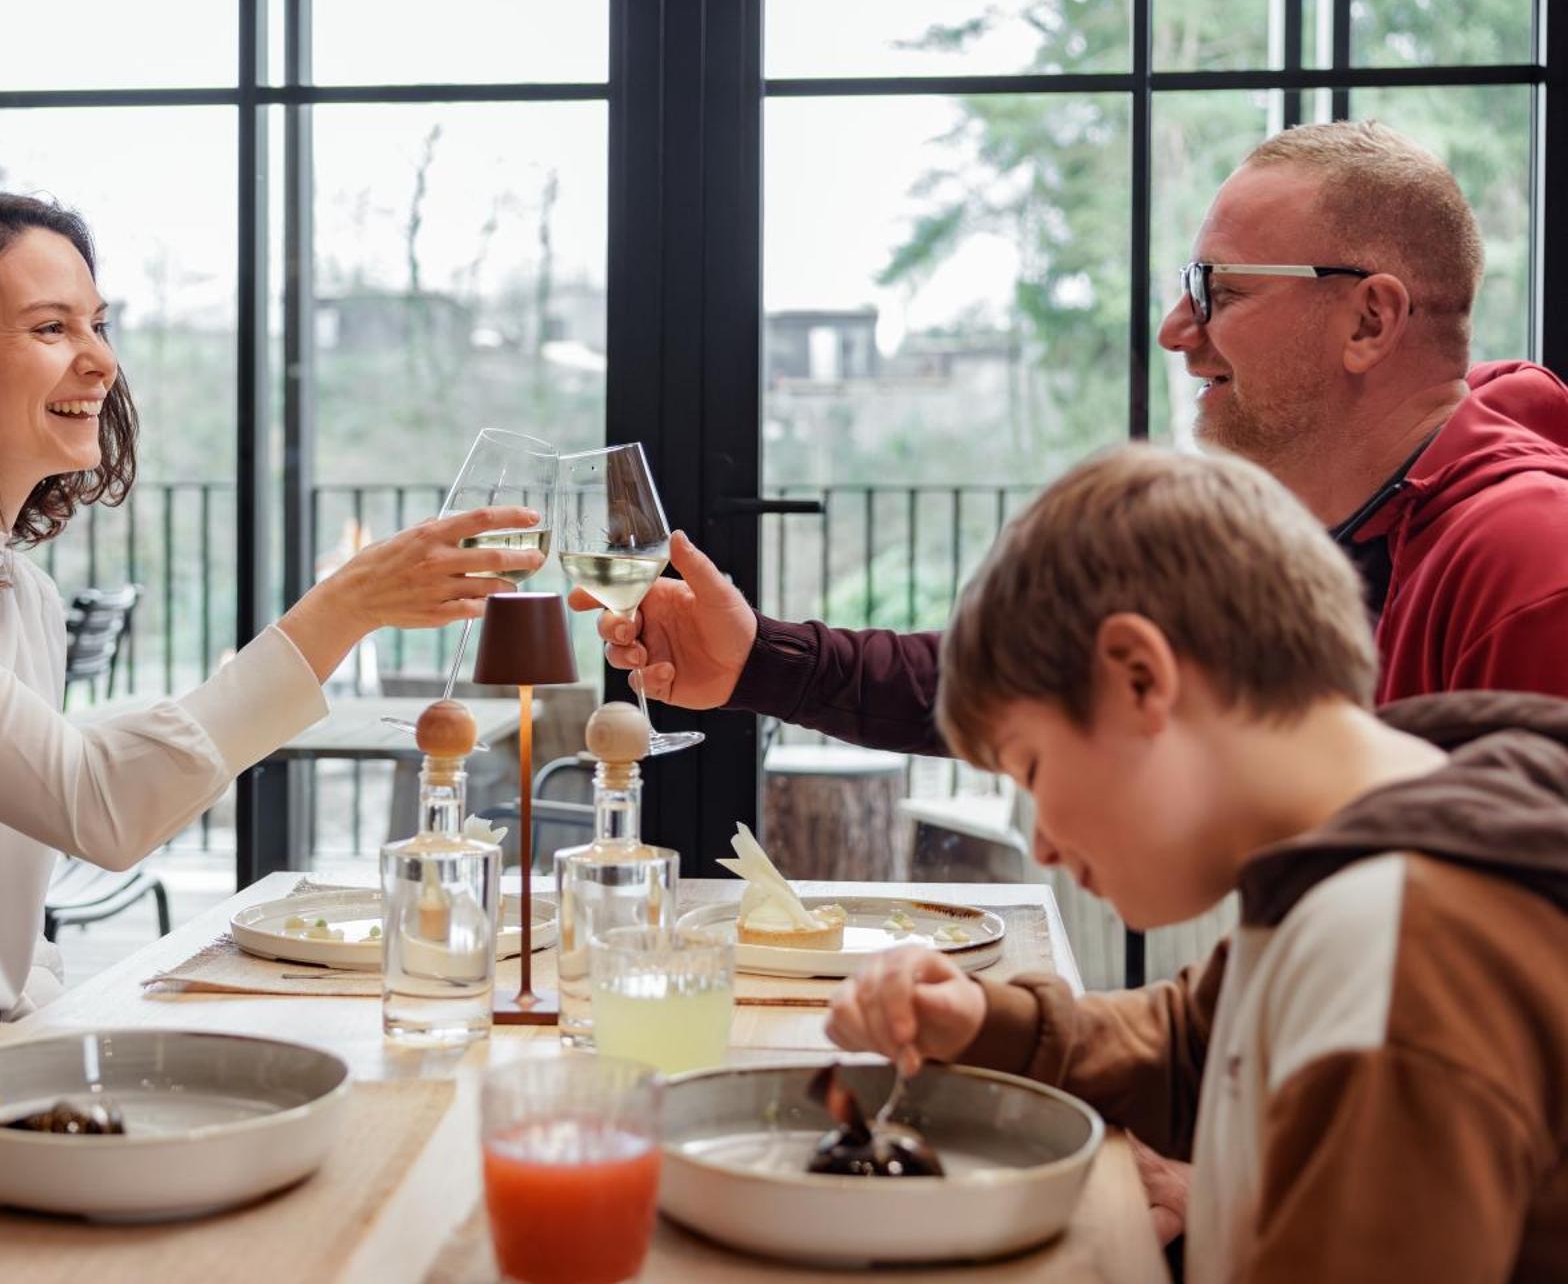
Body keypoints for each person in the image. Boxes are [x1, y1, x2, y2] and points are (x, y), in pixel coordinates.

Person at [0, 193, 545, 1115]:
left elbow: (15, 879)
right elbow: (91, 800)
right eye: (52, 327)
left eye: (99, 323)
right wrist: (340, 613)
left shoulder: (20, 592)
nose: (101, 359)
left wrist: (58, 1020)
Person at [825, 444, 1568, 1283]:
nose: (1042, 841)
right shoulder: (1371, 859)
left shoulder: (1397, 950)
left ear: (1141, 678)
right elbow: (1195, 1044)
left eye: (1030, 767)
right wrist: (979, 1019)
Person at [582, 120, 1568, 747]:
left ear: (1368, 320)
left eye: (1215, 291)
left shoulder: (1525, 566)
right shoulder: (1316, 541)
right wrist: (757, 657)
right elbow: (1037, 678)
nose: (1174, 331)